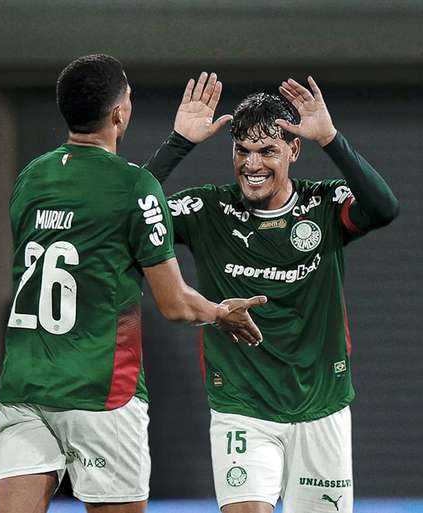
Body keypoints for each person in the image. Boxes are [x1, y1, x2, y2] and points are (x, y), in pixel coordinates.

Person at [0, 55, 266, 513]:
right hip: (102, 393)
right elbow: (175, 305)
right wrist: (220, 312)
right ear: (119, 113)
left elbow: (103, 209)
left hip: (26, 388)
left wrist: (178, 143)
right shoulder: (135, 187)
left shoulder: (31, 179)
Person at [148, 76, 399, 513]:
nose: (252, 164)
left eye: (267, 151)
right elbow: (128, 215)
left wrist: (333, 140)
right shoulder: (207, 210)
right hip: (241, 404)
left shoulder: (324, 205)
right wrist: (178, 143)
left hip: (322, 404)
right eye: (242, 150)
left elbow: (384, 207)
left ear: (294, 150)